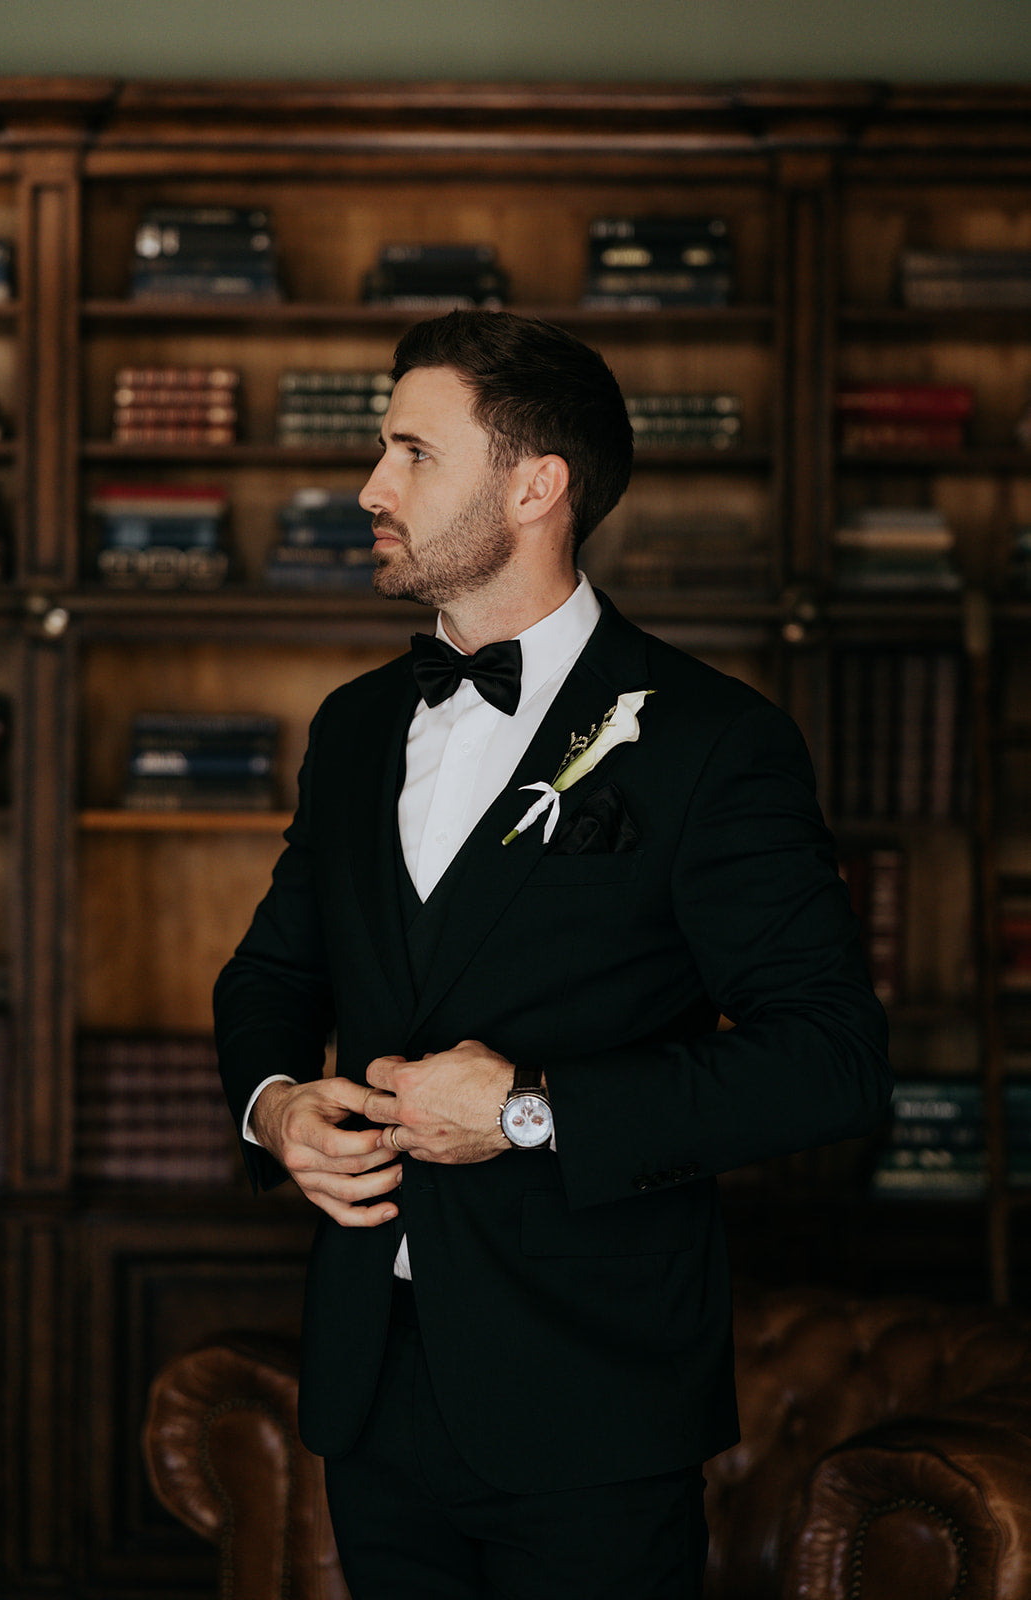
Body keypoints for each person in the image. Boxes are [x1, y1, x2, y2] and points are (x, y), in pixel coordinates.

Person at [213, 309, 892, 1600]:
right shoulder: (355, 729)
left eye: (412, 451)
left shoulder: (712, 744)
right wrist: (276, 1105)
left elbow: (835, 1066)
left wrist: (531, 1111)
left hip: (594, 1403)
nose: (370, 486)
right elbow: (271, 978)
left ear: (537, 486)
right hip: (371, 1385)